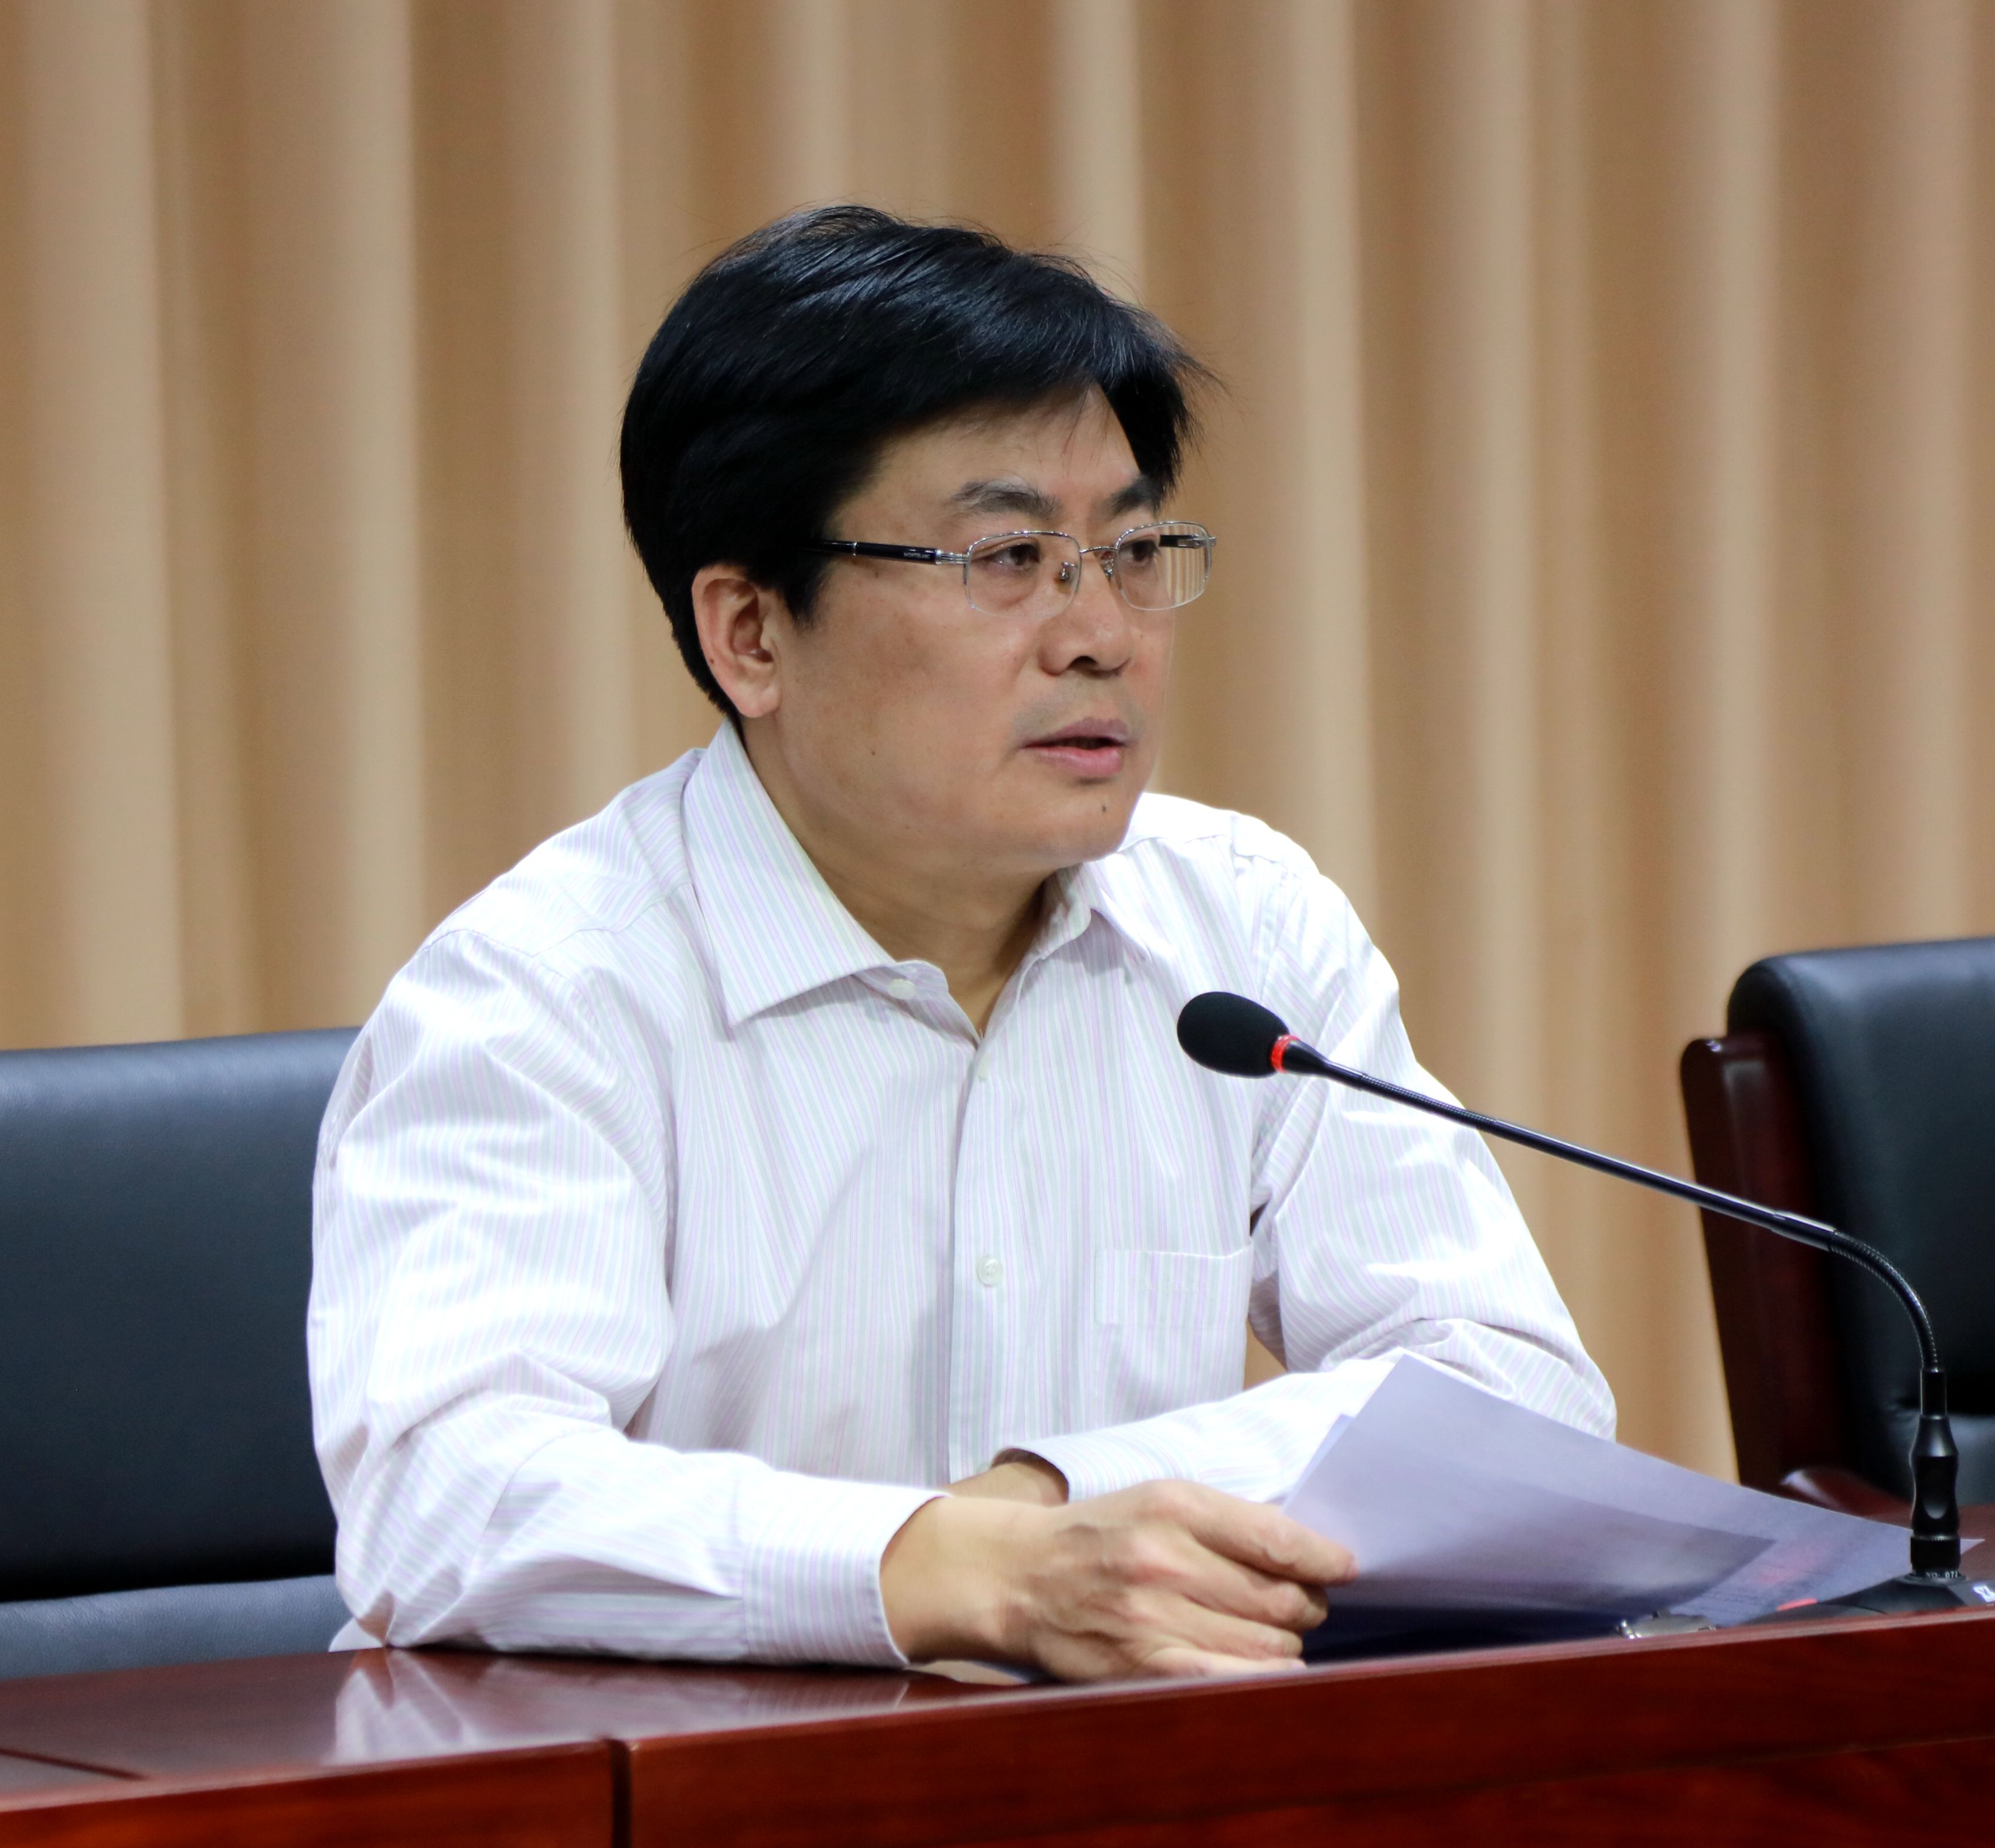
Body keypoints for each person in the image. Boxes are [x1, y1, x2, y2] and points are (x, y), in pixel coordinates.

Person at [309, 206, 1612, 1683]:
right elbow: (451, 1498)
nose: (1101, 632)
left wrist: (1050, 1500)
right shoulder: (544, 992)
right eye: (1007, 556)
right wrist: (943, 1567)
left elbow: (1515, 1391)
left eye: (1131, 551)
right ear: (751, 632)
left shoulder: (1240, 925)